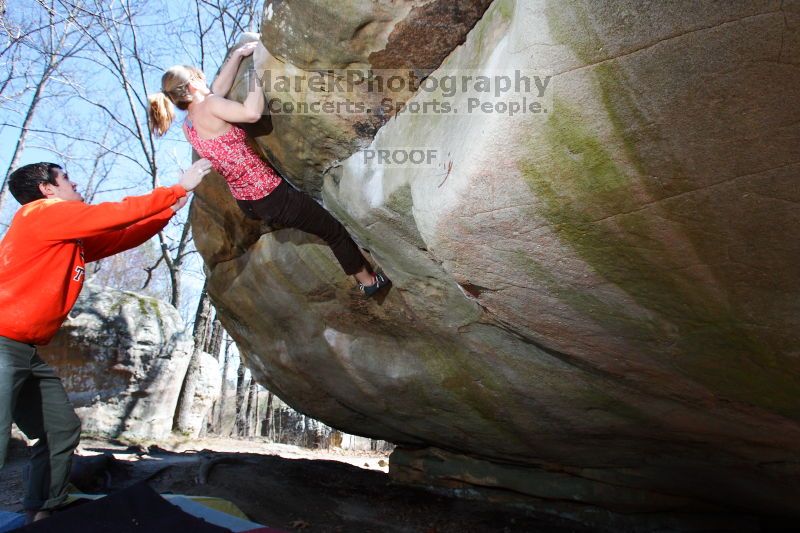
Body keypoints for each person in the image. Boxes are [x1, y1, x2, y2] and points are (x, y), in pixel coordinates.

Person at [0, 158, 212, 523]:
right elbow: (113, 215)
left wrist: (166, 212)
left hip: (25, 351)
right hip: (2, 344)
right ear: (47, 190)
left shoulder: (66, 236)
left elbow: (119, 236)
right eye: (66, 178)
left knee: (60, 428)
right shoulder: (41, 213)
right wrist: (177, 188)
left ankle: (42, 513)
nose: (75, 183)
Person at [146, 40, 391, 297]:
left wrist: (239, 55)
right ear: (194, 84)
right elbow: (251, 113)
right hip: (271, 195)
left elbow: (216, 91)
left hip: (248, 201)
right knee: (333, 231)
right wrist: (258, 73)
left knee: (316, 217)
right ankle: (368, 281)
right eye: (200, 78)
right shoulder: (211, 106)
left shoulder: (190, 125)